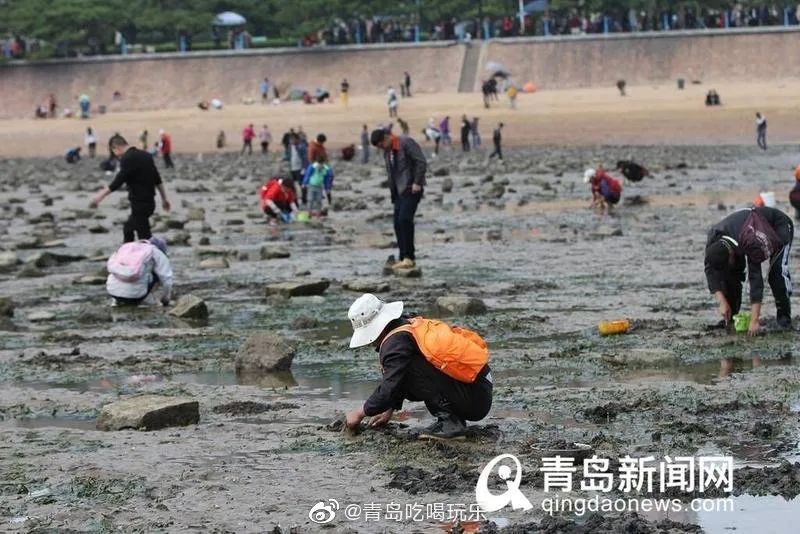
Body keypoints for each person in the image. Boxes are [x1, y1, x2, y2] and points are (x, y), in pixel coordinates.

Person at [344, 294, 493, 440]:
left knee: (412, 368)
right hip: (477, 388)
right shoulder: (406, 326)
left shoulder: (396, 343)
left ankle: (451, 423)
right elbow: (398, 379)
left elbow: (390, 385)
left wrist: (360, 412)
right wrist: (389, 408)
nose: (370, 343)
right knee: (407, 370)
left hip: (474, 396)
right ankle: (452, 419)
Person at [704, 206, 794, 333]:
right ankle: (731, 317)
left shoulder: (750, 241)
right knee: (729, 275)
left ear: (731, 254)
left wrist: (754, 320)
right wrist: (721, 301)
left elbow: (755, 279)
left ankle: (784, 319)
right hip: (743, 231)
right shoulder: (714, 236)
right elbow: (709, 268)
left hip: (778, 226)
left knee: (776, 273)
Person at [90, 134, 171, 242]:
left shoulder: (127, 159)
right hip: (150, 203)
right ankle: (139, 255)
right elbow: (157, 179)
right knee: (137, 231)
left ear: (116, 147)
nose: (116, 156)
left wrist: (100, 196)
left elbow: (118, 181)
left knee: (135, 232)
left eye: (114, 153)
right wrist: (164, 199)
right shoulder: (146, 155)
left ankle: (131, 256)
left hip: (139, 204)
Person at [371, 128, 427, 269]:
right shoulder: (387, 151)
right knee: (397, 223)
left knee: (405, 220)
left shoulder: (406, 142)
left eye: (381, 145)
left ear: (386, 138)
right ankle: (403, 257)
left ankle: (409, 257)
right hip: (398, 192)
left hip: (411, 187)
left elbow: (421, 161)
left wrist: (417, 182)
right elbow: (392, 173)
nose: (381, 148)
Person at [106, 237, 172, 307]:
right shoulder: (155, 251)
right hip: (138, 296)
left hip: (113, 292)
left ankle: (116, 302)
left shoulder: (126, 248)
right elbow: (166, 279)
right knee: (157, 274)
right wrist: (166, 299)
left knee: (120, 271)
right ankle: (148, 300)